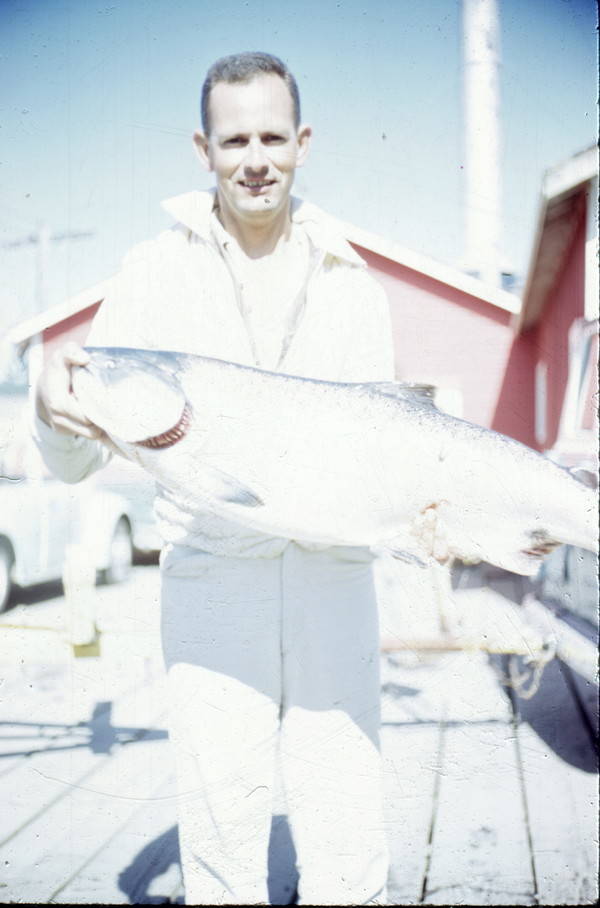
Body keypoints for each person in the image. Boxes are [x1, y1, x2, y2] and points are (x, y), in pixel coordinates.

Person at [33, 52, 395, 906]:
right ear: (204, 148)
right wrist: (52, 403)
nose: (256, 158)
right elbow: (80, 453)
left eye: (274, 135)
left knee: (345, 817)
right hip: (210, 574)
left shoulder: (355, 286)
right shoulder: (151, 273)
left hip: (331, 576)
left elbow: (381, 458)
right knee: (223, 822)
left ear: (303, 142)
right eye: (236, 139)